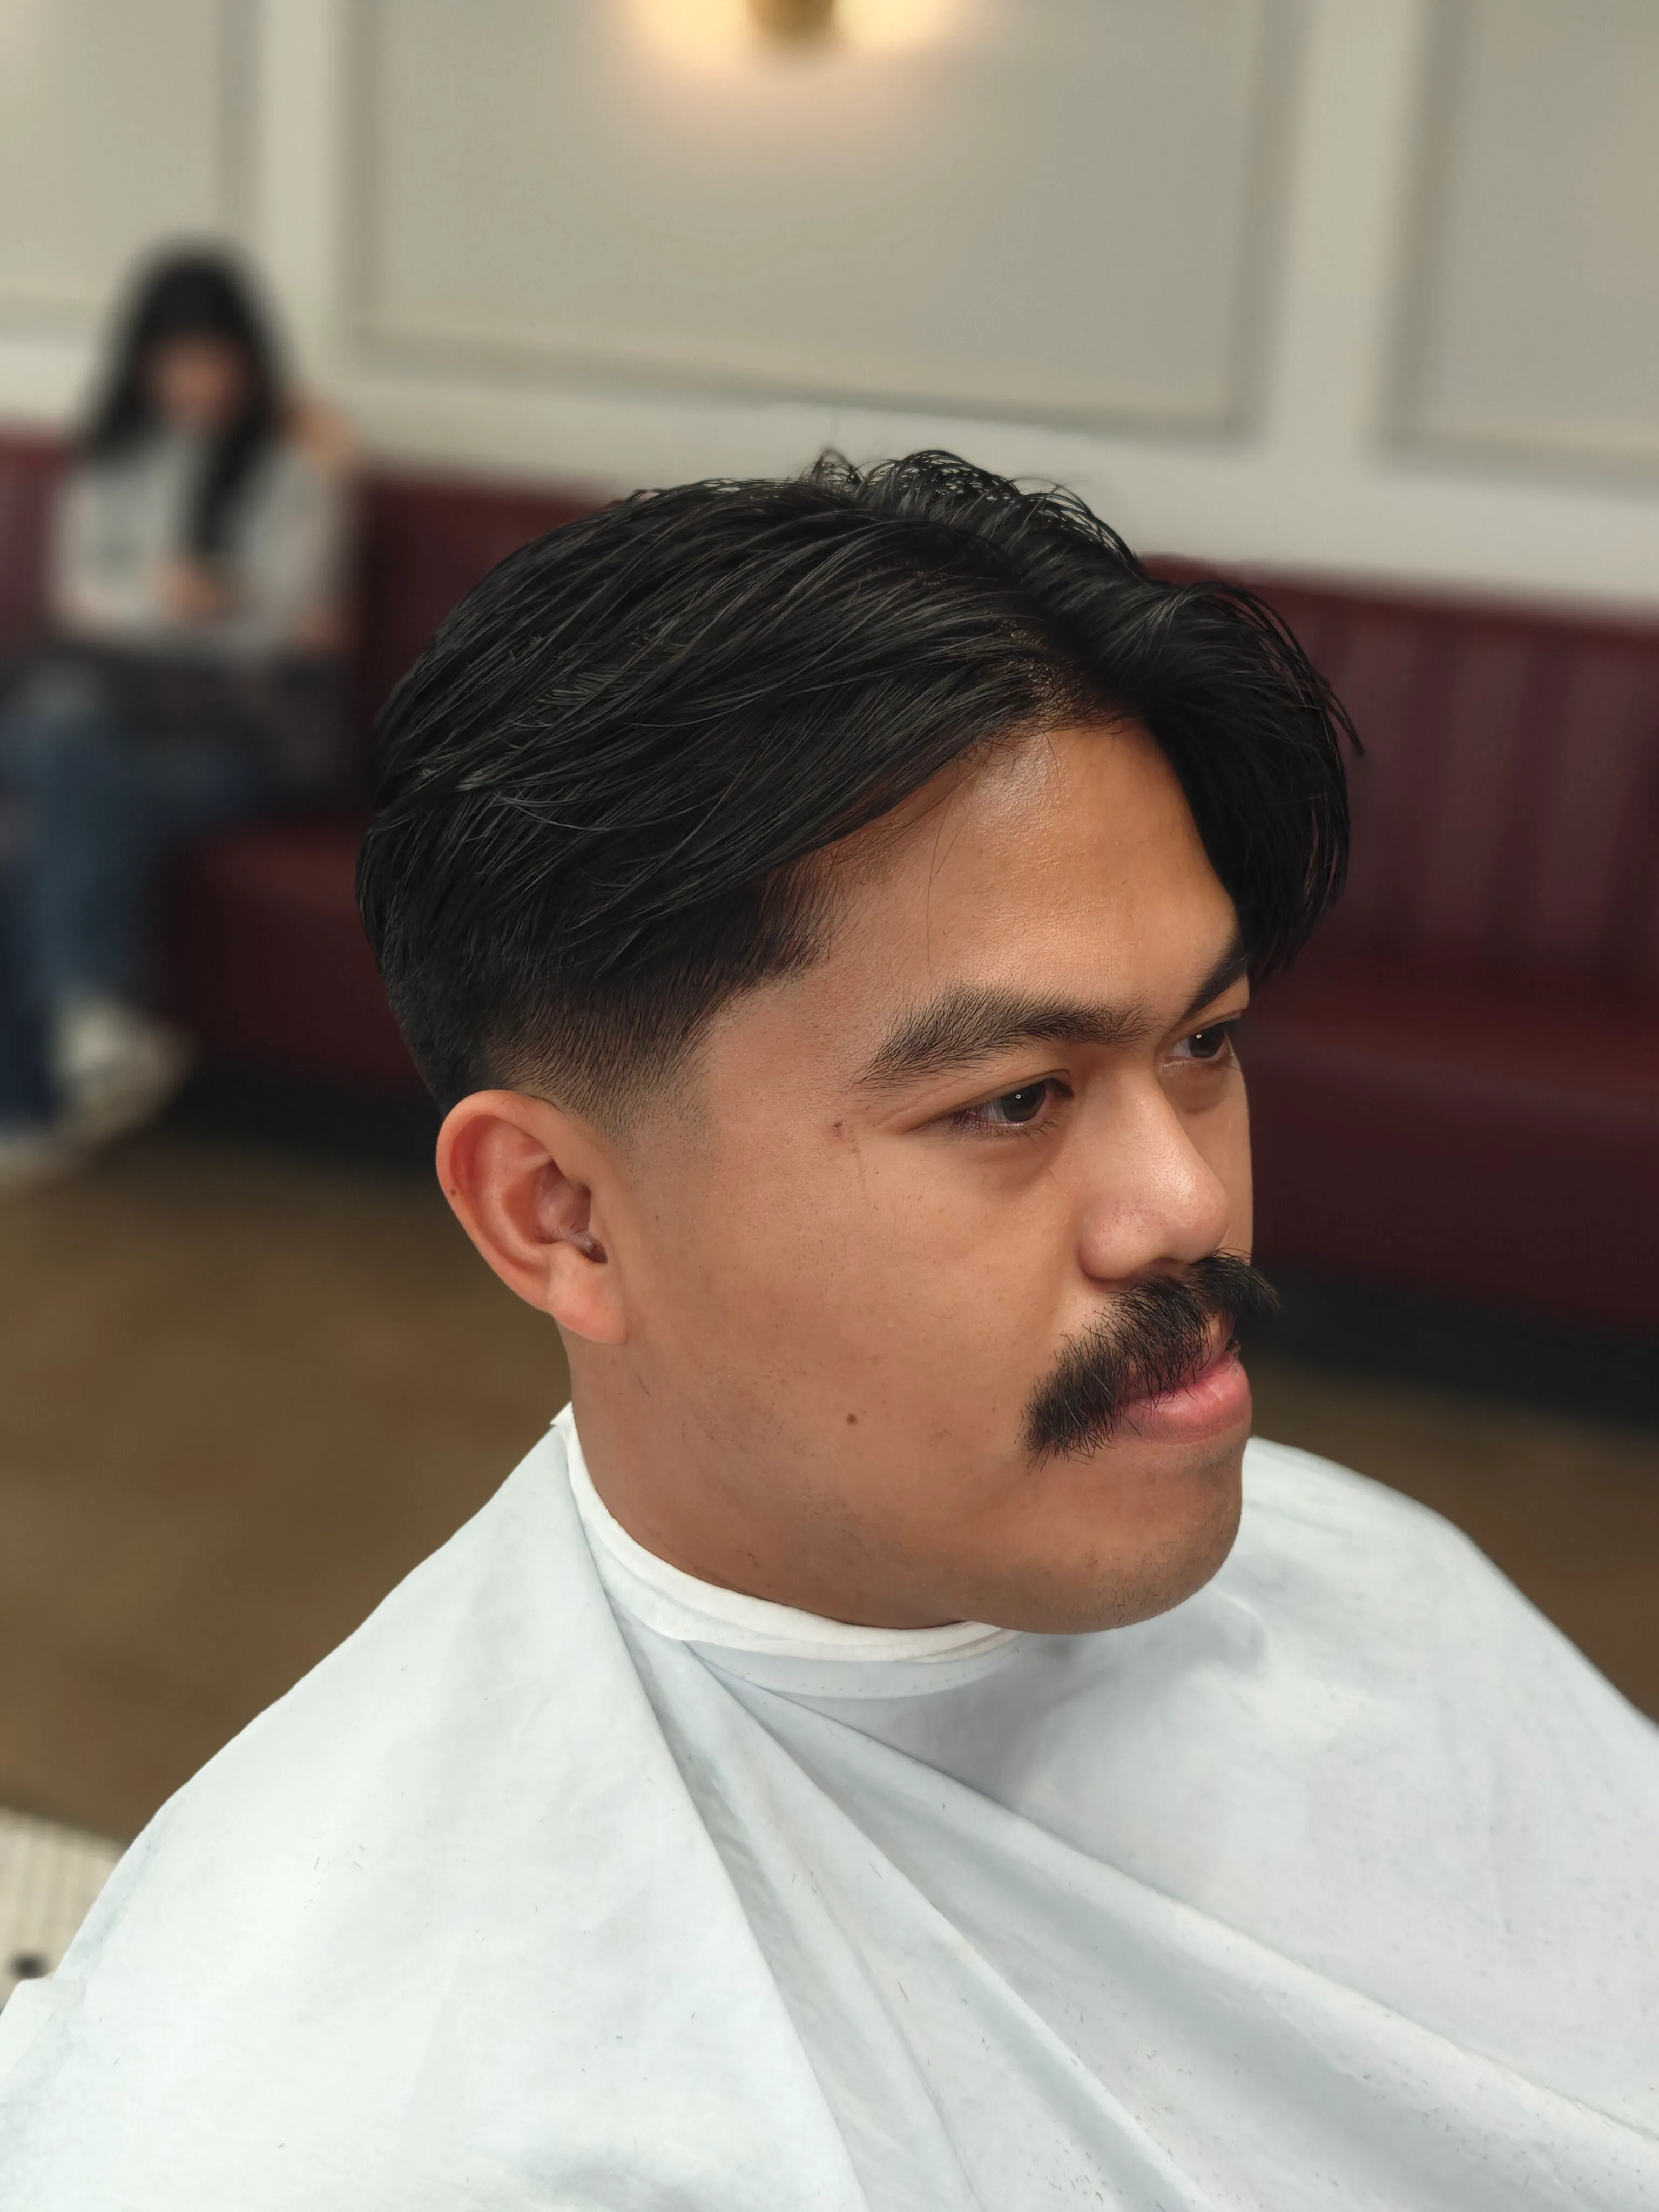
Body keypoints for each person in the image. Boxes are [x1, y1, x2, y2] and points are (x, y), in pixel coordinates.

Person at [1, 454, 1654, 2207]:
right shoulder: (364, 2108)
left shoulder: (1372, 1574)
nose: (1189, 1203)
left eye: (1204, 1041)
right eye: (1014, 1099)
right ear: (560, 1215)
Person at [0, 248, 353, 1189]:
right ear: (144, 363)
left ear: (248, 359)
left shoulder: (298, 465)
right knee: (60, 750)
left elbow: (303, 630)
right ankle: (90, 1026)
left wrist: (185, 607)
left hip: (238, 735)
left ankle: (34, 1093)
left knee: (50, 787)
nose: (197, 381)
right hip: (112, 719)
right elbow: (79, 603)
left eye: (214, 359)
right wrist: (193, 604)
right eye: (177, 361)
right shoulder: (114, 458)